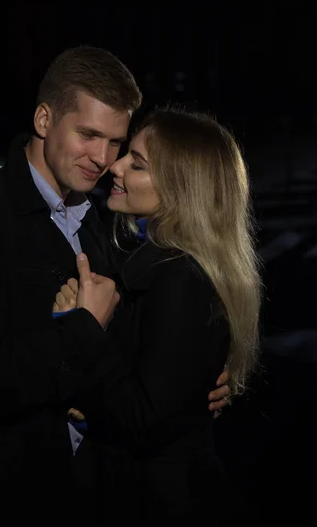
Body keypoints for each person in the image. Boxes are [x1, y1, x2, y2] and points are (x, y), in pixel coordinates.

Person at [0, 46, 230, 527]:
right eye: (88, 134)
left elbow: (136, 343)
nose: (102, 159)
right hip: (21, 497)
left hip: (105, 490)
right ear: (43, 118)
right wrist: (77, 334)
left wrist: (186, 379)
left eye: (116, 142)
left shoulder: (103, 222)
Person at [53, 106, 262, 524]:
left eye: (137, 163)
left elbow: (142, 423)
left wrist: (82, 330)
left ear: (181, 188)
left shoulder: (179, 278)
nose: (115, 166)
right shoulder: (157, 265)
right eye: (126, 154)